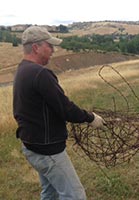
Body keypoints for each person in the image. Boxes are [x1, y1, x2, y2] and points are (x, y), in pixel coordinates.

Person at [13, 26, 106, 199]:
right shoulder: (40, 73)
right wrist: (91, 118)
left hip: (31, 144)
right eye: (50, 46)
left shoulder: (23, 70)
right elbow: (66, 108)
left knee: (51, 192)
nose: (53, 50)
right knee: (75, 196)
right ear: (36, 47)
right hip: (47, 149)